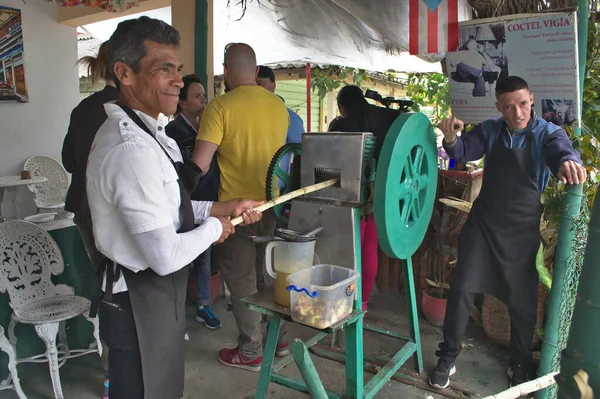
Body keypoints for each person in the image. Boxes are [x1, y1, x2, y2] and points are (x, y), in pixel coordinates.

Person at [86, 17, 262, 399]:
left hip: (155, 295)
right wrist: (218, 228)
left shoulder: (151, 133)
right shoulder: (129, 149)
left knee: (163, 388)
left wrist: (222, 207)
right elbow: (165, 256)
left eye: (177, 69)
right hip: (136, 300)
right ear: (125, 74)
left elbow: (170, 208)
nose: (179, 81)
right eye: (164, 68)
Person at [429, 76, 587, 389]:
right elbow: (465, 149)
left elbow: (561, 151)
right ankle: (447, 357)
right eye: (509, 107)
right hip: (483, 227)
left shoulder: (548, 134)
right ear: (498, 107)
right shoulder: (490, 130)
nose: (518, 112)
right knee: (461, 289)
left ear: (532, 98)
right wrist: (450, 140)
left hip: (522, 231)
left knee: (523, 303)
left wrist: (569, 161)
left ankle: (519, 362)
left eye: (523, 104)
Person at [192, 43, 289, 372]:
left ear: (226, 70)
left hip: (235, 211)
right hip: (272, 202)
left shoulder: (219, 107)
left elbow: (199, 166)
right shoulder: (278, 106)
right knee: (268, 275)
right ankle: (280, 340)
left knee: (242, 280)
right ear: (258, 71)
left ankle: (251, 351)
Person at [61, 40, 117, 399]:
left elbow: (68, 161)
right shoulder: (125, 109)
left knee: (106, 283)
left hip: (84, 209)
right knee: (121, 289)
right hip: (114, 213)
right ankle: (119, 369)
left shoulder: (84, 108)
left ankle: (113, 369)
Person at [328, 84, 400, 311]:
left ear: (342, 107)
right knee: (369, 247)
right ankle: (363, 304)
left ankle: (344, 305)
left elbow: (329, 162)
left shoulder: (342, 125)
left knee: (349, 252)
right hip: (381, 195)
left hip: (350, 195)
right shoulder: (390, 117)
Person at [166, 74, 222, 330]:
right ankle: (173, 311)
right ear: (182, 102)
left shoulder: (207, 128)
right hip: (183, 202)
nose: (203, 101)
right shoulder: (172, 133)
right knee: (178, 256)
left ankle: (203, 306)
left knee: (204, 255)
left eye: (204, 95)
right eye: (197, 96)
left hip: (208, 199)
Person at [256, 65, 305, 193]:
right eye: (253, 84)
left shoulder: (289, 117)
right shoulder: (245, 114)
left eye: (260, 84)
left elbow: (302, 151)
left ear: (273, 86)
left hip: (275, 190)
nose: (256, 89)